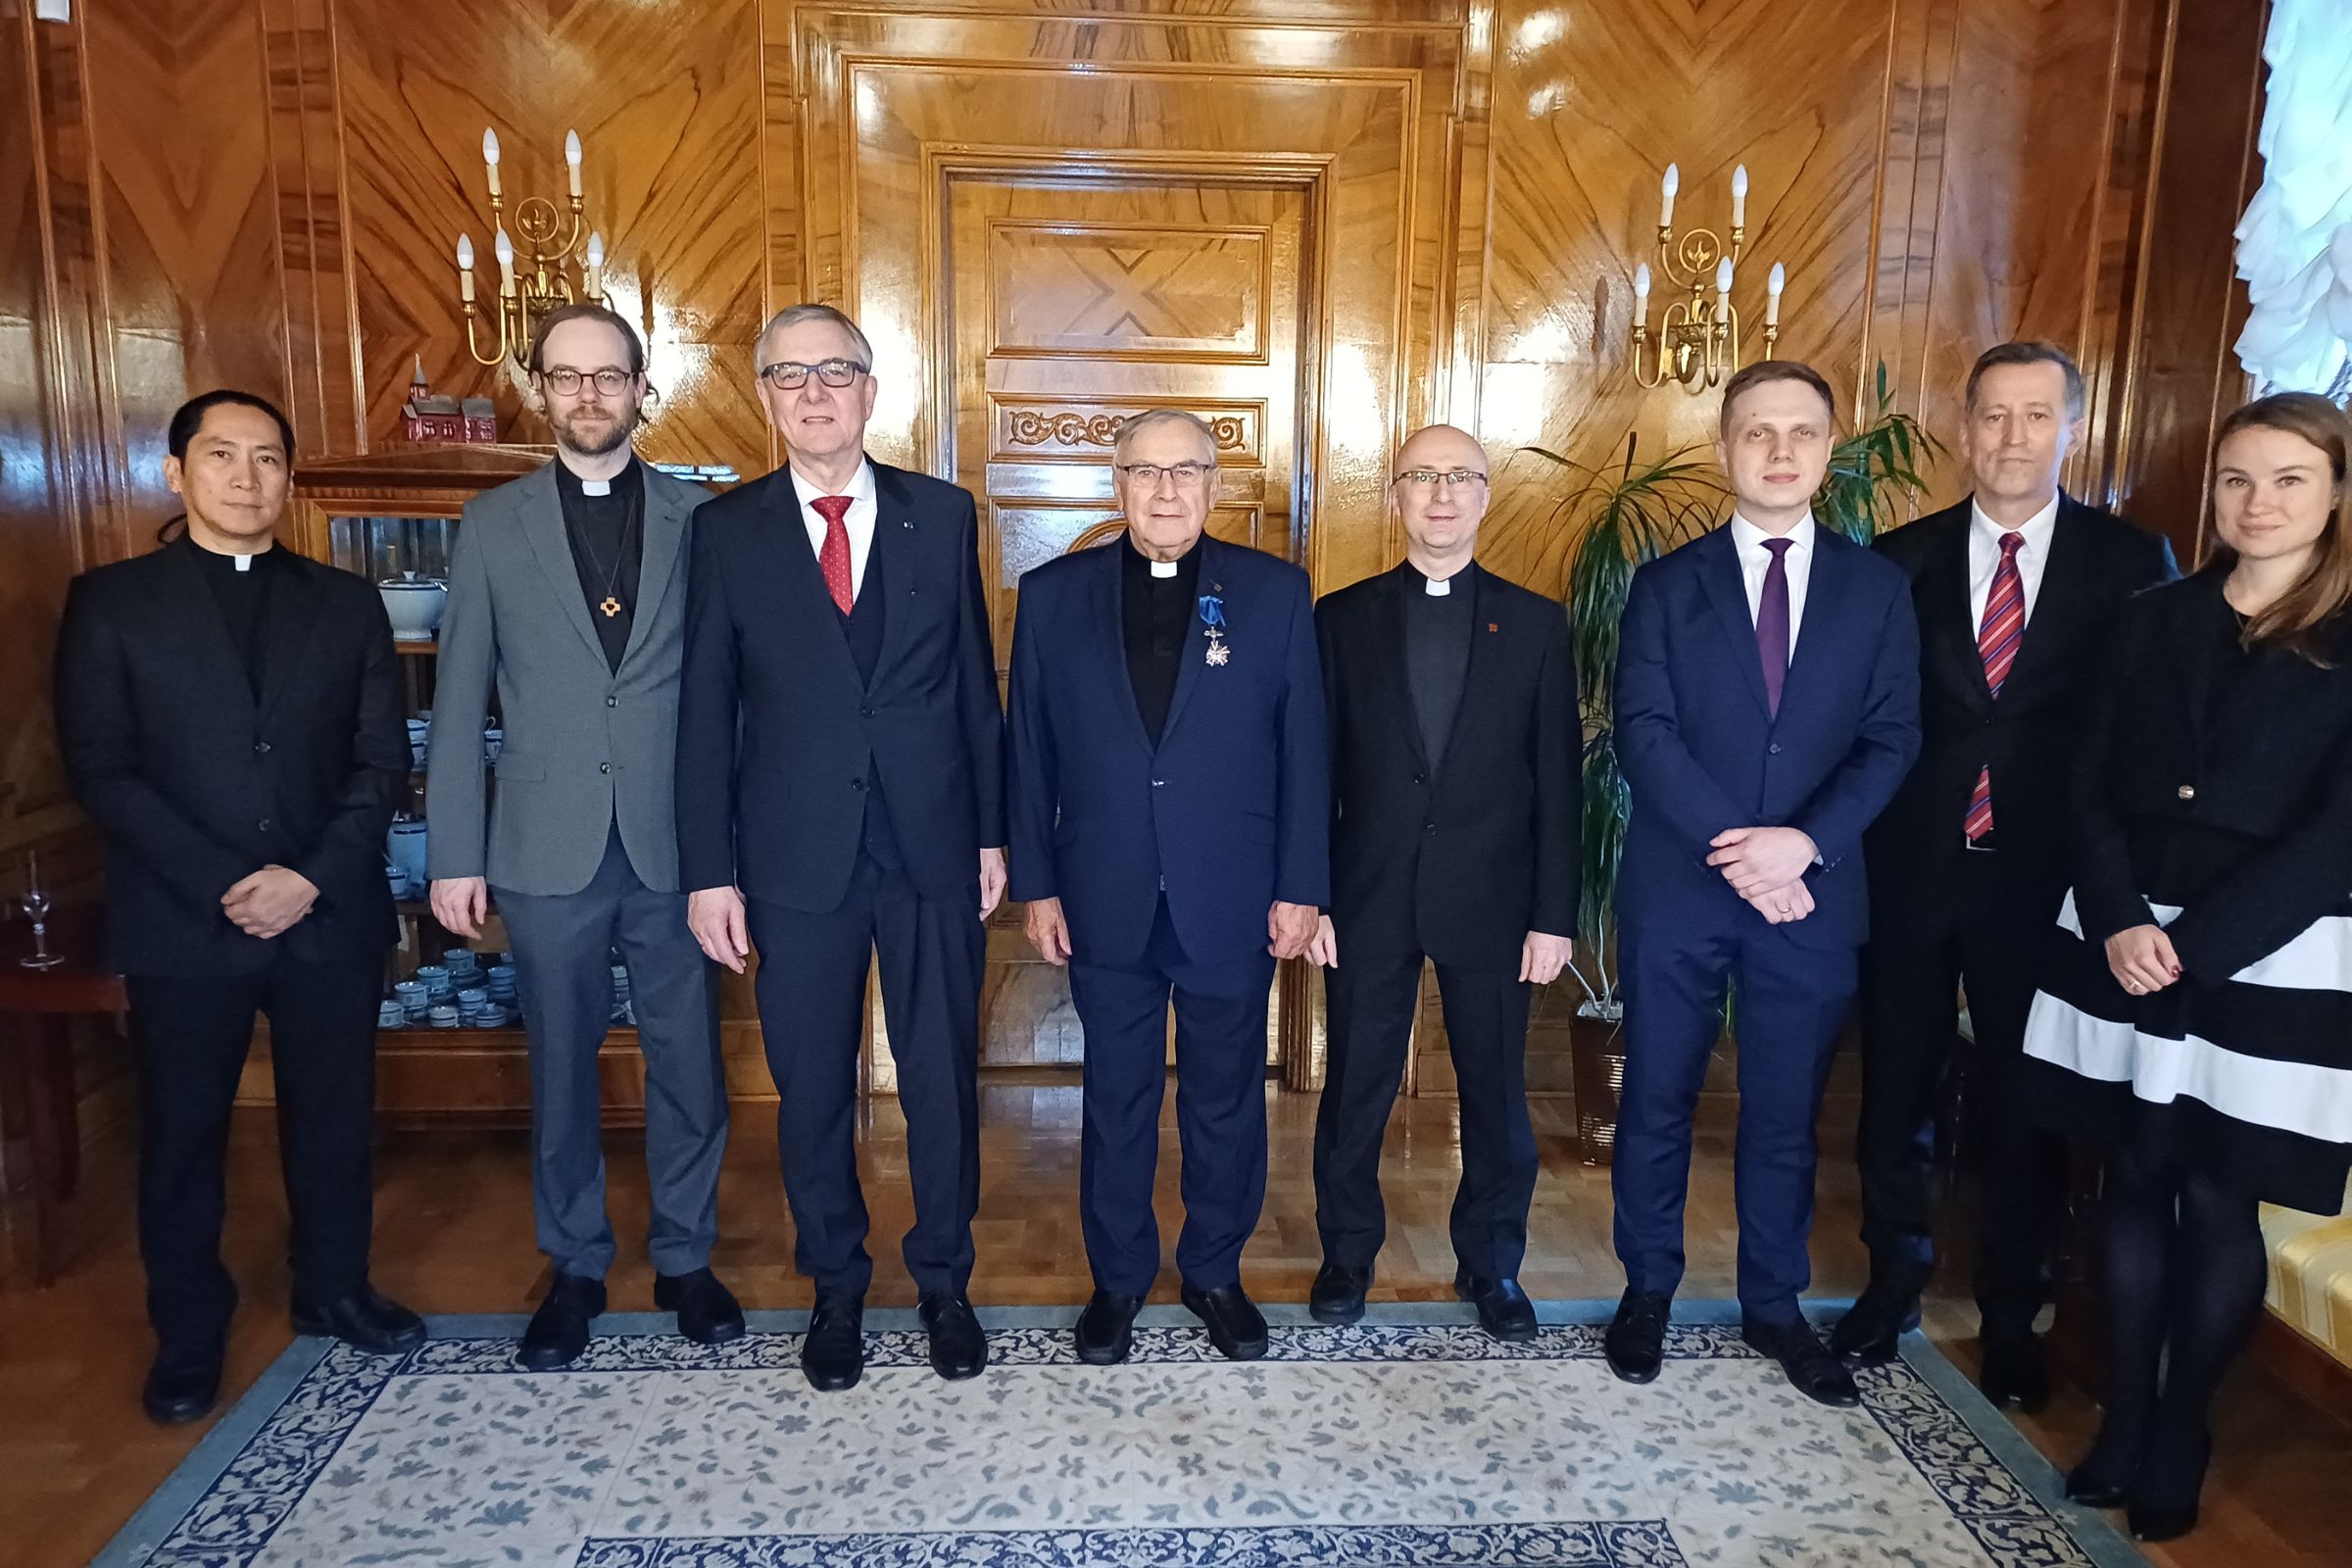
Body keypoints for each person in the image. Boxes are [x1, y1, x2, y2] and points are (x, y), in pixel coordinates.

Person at [2021, 392, 2352, 1543]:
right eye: (2236, 479)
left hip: (2274, 950)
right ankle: (2122, 1420)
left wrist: (2200, 948)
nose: (2258, 503)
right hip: (2122, 929)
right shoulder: (2153, 615)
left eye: (2289, 479)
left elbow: (2338, 832)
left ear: (2336, 495)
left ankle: (2179, 1429)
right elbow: (2084, 778)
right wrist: (2119, 916)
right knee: (2131, 1176)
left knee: (2217, 1194)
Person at [55, 390, 423, 1424]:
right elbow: (103, 769)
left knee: (334, 1119)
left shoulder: (345, 603)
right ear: (178, 472)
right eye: (222, 455)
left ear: (289, 479)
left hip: (326, 910)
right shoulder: (112, 603)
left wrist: (308, 877)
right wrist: (227, 880)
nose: (246, 477)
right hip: (183, 918)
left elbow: (380, 762)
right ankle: (188, 1332)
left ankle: (333, 1286)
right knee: (181, 1132)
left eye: (267, 459)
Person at [676, 303, 1004, 1392]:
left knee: (941, 1079)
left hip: (932, 845)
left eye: (836, 371)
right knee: (811, 1086)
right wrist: (709, 871)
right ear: (765, 395)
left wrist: (993, 832)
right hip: (792, 857)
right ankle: (836, 1288)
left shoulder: (942, 515)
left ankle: (946, 1282)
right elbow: (704, 710)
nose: (814, 392)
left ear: (871, 388)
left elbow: (973, 685)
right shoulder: (724, 532)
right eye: (790, 374)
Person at [1842, 342, 2177, 1405]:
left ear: (2072, 428)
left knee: (2023, 1107)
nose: (2013, 436)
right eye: (1994, 415)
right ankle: (1890, 1283)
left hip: (2048, 881)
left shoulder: (2132, 561)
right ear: (1965, 428)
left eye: (2037, 415)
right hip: (1909, 867)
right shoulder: (1899, 559)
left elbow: (2150, 729)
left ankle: (2010, 1316)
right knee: (1893, 1091)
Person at [1603, 361, 1922, 1406]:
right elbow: (1645, 733)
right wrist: (1745, 851)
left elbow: (1890, 739)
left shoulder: (1878, 590)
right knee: (1656, 1098)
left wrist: (1803, 847)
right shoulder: (1665, 585)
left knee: (1785, 1112)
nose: (1780, 451)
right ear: (1724, 448)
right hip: (1682, 886)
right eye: (1757, 432)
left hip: (1811, 895)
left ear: (1829, 449)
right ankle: (1647, 1288)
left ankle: (1774, 1305)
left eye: (1801, 433)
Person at [426, 304, 737, 1370]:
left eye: (610, 376)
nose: (589, 395)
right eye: (567, 377)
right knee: (559, 1064)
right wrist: (454, 852)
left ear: (643, 388)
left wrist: (733, 844)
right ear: (539, 390)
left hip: (676, 846)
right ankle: (574, 1263)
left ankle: (687, 1256)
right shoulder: (492, 523)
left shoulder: (704, 518)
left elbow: (732, 692)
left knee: (688, 1060)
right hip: (542, 844)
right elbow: (458, 699)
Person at [1005, 408, 1328, 1366]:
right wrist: (1037, 884)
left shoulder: (1274, 594)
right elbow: (1028, 751)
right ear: (1118, 484)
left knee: (1226, 1099)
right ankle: (1117, 1279)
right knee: (1116, 1097)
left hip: (1232, 894)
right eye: (1146, 471)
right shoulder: (1053, 596)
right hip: (1102, 892)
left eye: (1186, 470)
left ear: (1215, 486)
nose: (1166, 489)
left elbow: (1304, 752)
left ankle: (1215, 1273)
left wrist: (1302, 886)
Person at [1305, 423, 1579, 1342]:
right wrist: (1313, 892)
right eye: (1421, 477)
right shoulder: (1340, 618)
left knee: (1496, 1095)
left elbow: (1558, 782)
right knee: (1356, 1088)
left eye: (1460, 477)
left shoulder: (1535, 624)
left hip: (1494, 903)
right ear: (1395, 497)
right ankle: (1347, 1254)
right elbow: (1313, 770)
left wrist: (1553, 916)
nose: (1442, 494)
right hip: (1368, 896)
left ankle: (1492, 1263)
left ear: (1486, 496)